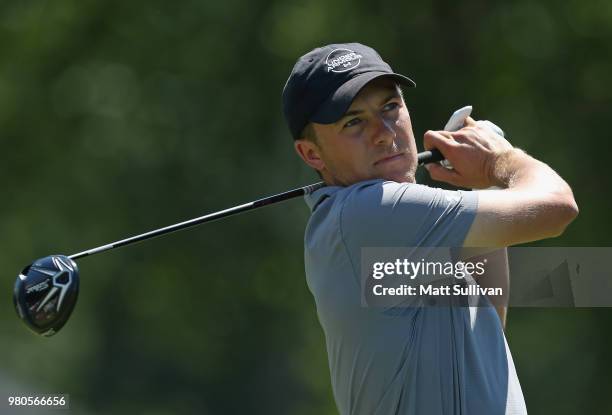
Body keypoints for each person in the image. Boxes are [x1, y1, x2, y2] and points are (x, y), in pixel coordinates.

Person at [282, 42, 578, 415]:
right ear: (312, 154)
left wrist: (484, 184)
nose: (384, 133)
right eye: (353, 122)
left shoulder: (395, 229)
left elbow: (486, 327)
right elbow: (557, 207)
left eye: (391, 107)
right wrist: (502, 160)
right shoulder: (365, 213)